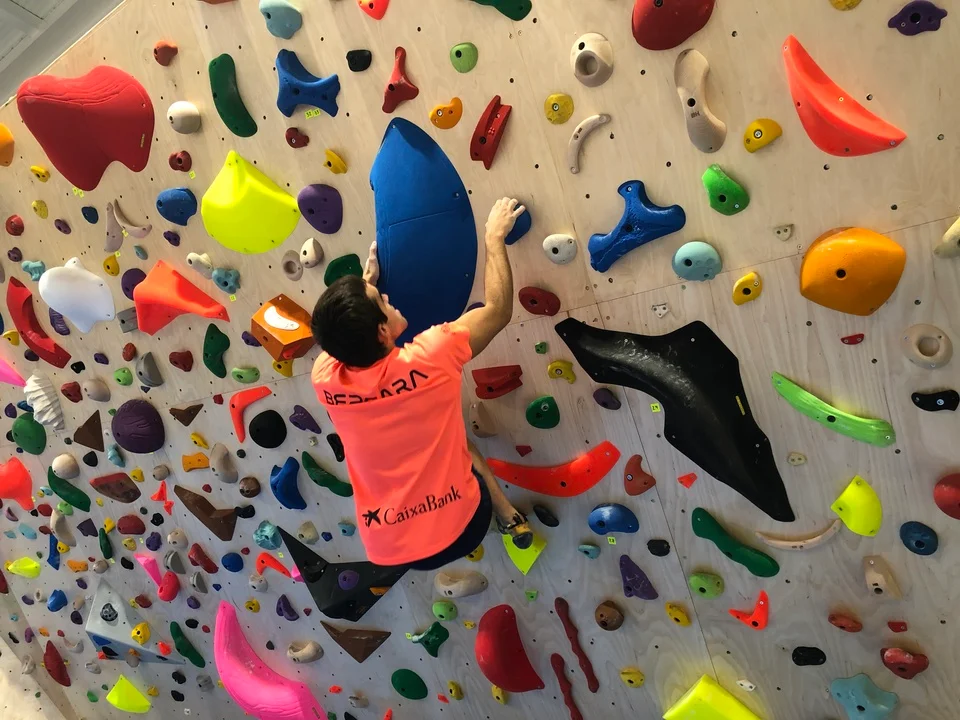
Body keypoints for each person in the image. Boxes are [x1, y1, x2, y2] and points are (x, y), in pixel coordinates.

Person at [310, 197, 533, 571]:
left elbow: (338, 335)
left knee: (449, 439)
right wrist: (495, 236)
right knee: (455, 442)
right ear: (382, 332)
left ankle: (509, 514)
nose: (385, 295)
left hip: (395, 552)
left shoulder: (325, 378)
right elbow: (497, 310)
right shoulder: (433, 355)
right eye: (380, 301)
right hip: (464, 528)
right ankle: (501, 511)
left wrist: (363, 289)